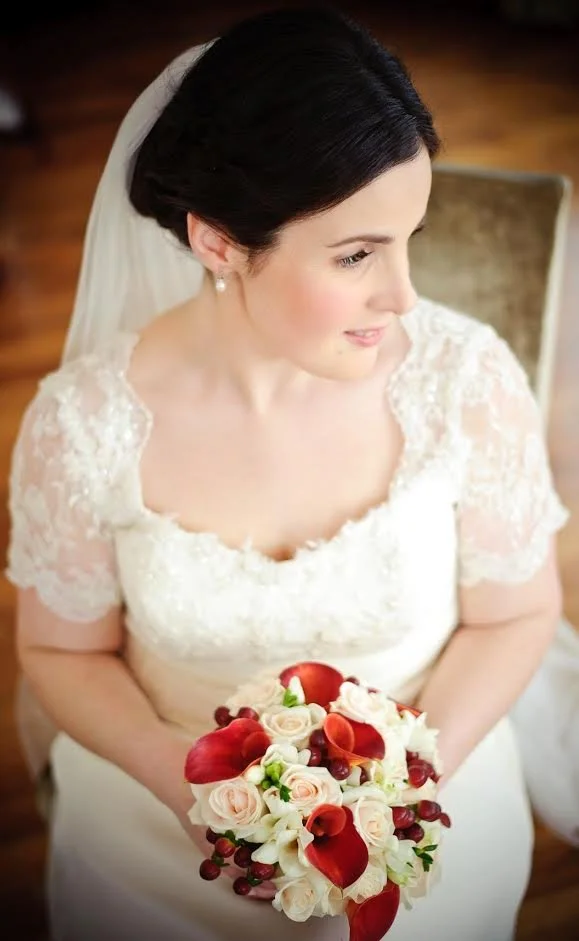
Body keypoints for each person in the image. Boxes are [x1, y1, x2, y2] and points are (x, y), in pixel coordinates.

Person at [4, 5, 572, 940]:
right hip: (159, 839)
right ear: (219, 244)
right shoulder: (83, 425)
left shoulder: (462, 381)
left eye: (407, 240)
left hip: (434, 808)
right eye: (356, 255)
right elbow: (62, 650)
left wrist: (403, 793)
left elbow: (514, 615)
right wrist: (181, 783)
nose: (402, 297)